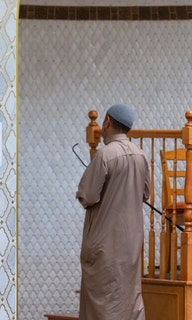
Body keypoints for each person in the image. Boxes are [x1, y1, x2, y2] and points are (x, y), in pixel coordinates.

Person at [76, 104, 150, 320]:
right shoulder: (141, 156)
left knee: (103, 304)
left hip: (105, 245)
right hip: (131, 245)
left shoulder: (105, 155)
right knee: (129, 300)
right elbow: (145, 194)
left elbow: (88, 196)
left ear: (107, 121)